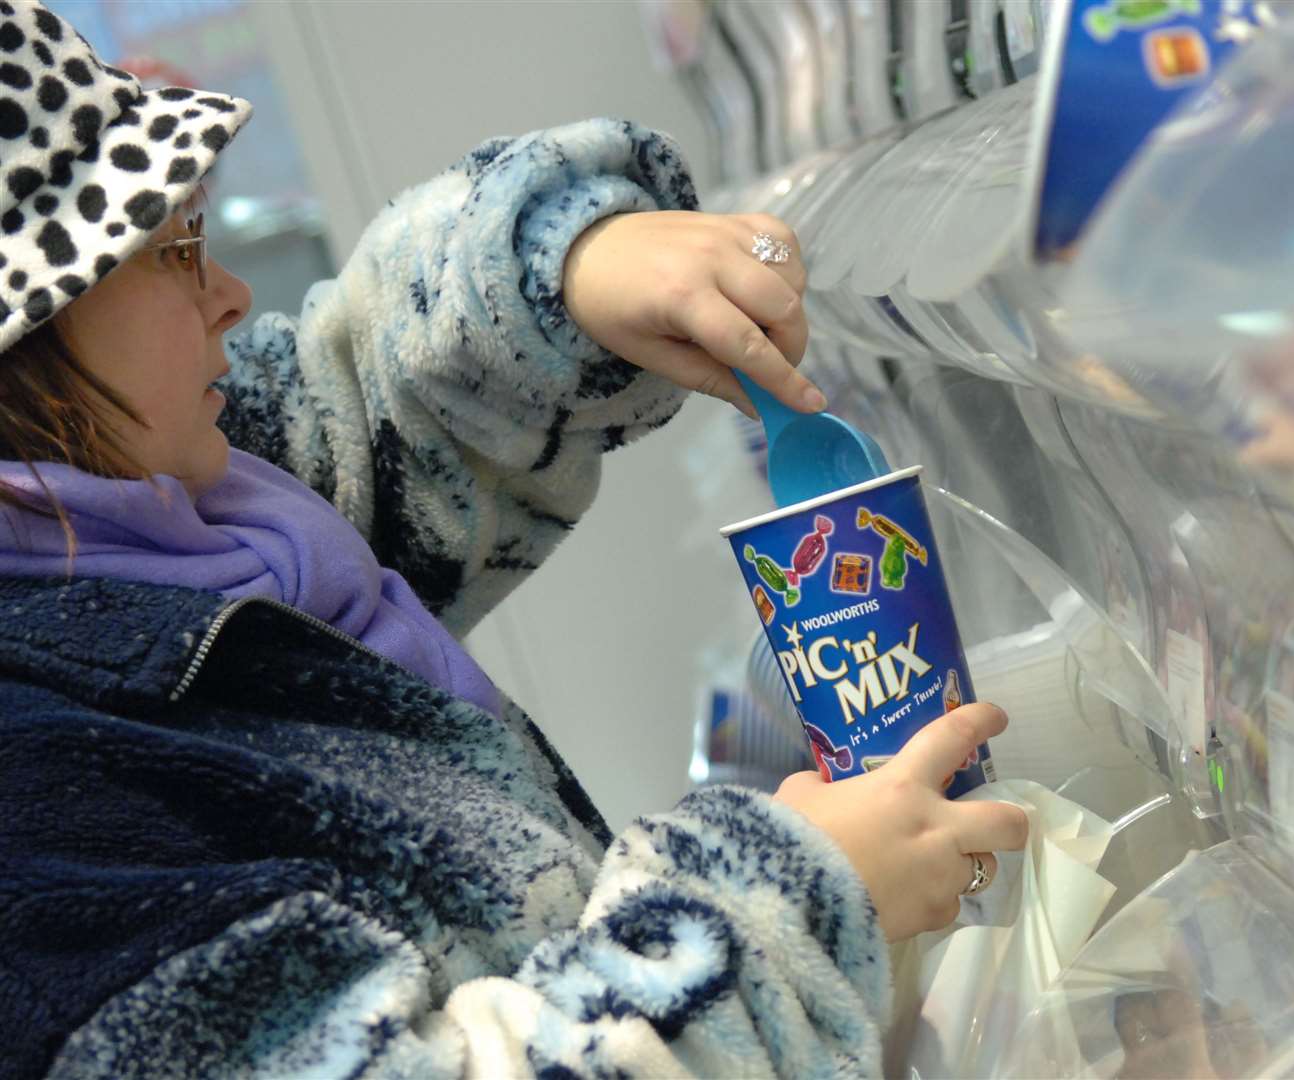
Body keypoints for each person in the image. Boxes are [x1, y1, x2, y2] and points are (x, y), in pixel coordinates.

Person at [0, 3, 1028, 1075]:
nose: (227, 294)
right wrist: (785, 909)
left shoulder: (135, 504)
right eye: (170, 251)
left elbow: (351, 416)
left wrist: (560, 275)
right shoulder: (32, 814)